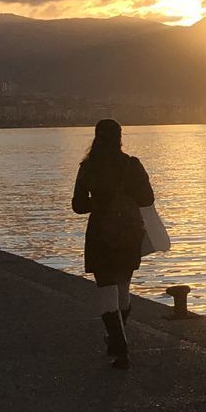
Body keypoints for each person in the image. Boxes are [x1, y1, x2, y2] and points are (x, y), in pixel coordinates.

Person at [72, 119, 155, 369]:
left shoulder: (88, 167)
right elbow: (147, 198)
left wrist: (99, 203)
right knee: (123, 287)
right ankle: (118, 340)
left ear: (97, 137)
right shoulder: (132, 165)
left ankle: (121, 349)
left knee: (107, 288)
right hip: (129, 233)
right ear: (120, 138)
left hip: (100, 234)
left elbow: (78, 206)